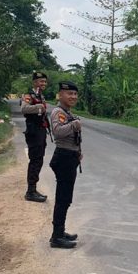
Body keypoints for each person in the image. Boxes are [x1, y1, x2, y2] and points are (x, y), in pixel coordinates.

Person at [48, 81, 84, 249]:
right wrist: (73, 125)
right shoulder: (58, 112)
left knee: (65, 198)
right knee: (63, 198)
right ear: (60, 95)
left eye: (75, 94)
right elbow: (57, 132)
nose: (73, 97)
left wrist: (78, 152)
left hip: (69, 157)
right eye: (69, 93)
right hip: (64, 158)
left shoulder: (67, 112)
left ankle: (60, 232)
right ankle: (56, 237)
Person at [21, 70, 51, 203]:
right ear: (34, 82)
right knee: (35, 160)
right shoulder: (29, 95)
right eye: (41, 81)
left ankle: (33, 189)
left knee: (39, 159)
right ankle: (30, 191)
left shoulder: (41, 95)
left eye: (45, 81)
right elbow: (24, 109)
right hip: (34, 132)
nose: (43, 83)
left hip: (40, 131)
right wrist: (38, 107)